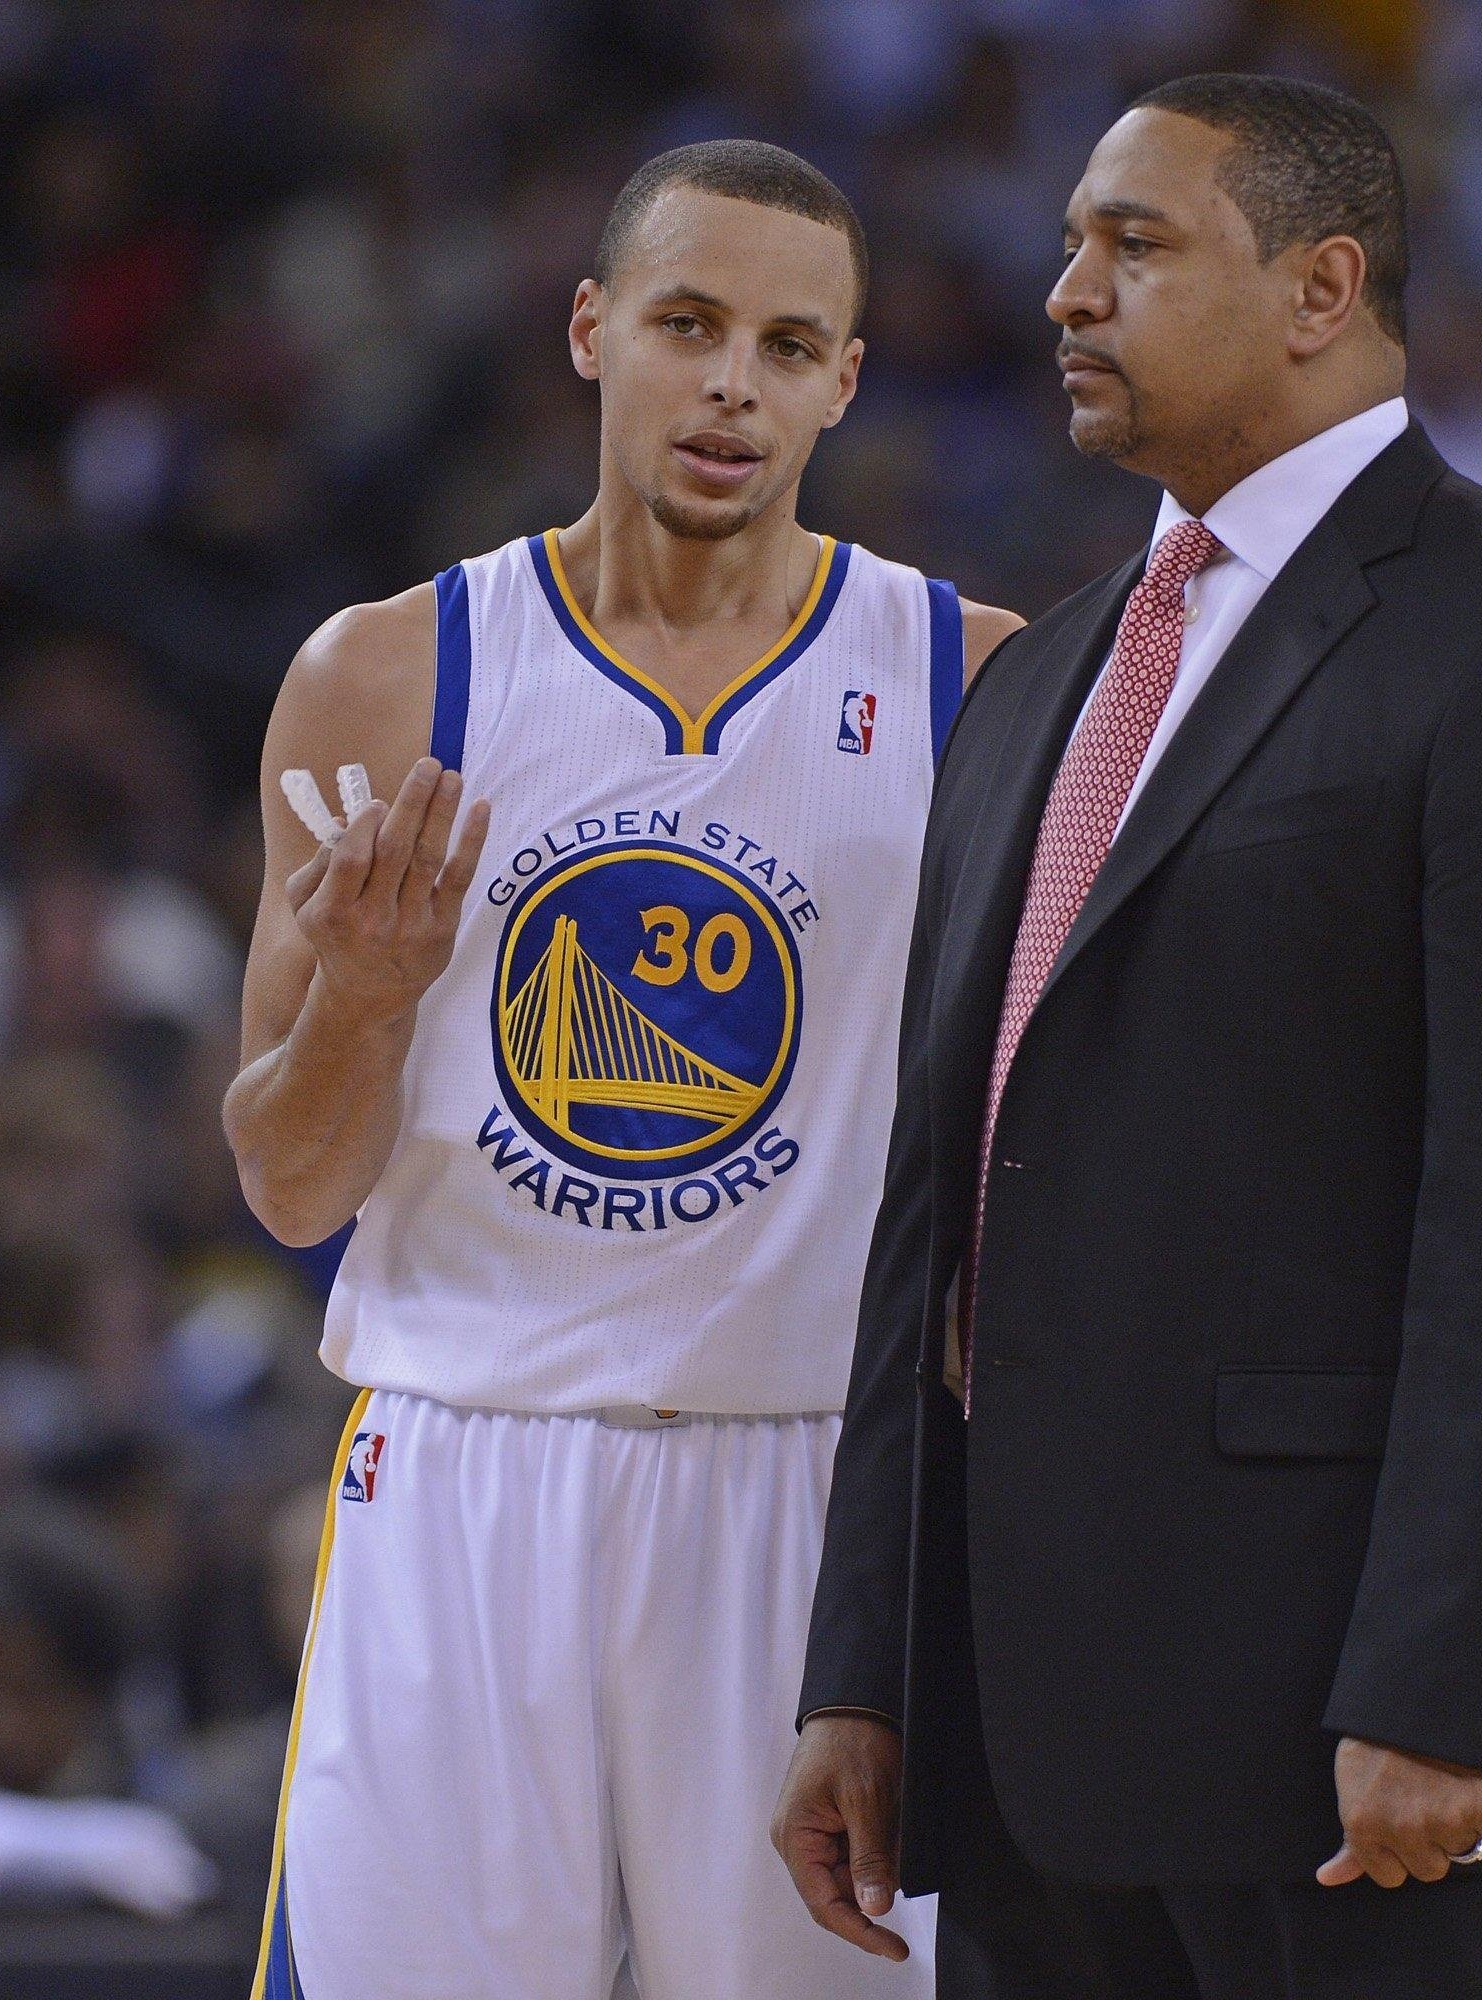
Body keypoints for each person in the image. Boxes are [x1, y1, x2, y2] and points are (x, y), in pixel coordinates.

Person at [778, 76, 1482, 1998]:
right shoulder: (1037, 676)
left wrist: (1450, 1684)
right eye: (1071, 245)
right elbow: (937, 1210)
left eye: (1134, 245)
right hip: (1038, 1750)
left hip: (1378, 1750)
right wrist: (867, 1671)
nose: (1067, 292)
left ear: (1322, 289)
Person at [222, 140, 1019, 1998]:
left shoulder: (973, 682)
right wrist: (366, 999)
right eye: (688, 324)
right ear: (592, 331)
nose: (734, 383)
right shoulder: (388, 675)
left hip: (811, 1487)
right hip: (463, 1466)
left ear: (845, 382)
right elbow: (289, 1186)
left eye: (787, 345)